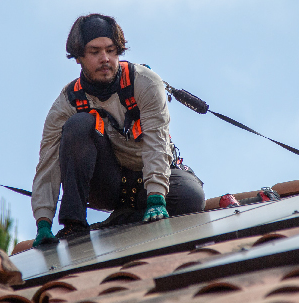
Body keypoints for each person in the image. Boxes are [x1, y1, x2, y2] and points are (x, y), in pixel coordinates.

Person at [32, 14, 205, 247]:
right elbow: (48, 164)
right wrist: (43, 222)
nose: (105, 59)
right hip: (108, 184)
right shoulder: (67, 103)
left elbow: (157, 140)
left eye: (111, 50)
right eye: (95, 52)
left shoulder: (144, 82)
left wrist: (156, 197)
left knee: (191, 197)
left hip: (149, 181)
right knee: (78, 125)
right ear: (79, 57)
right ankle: (75, 225)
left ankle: (121, 221)